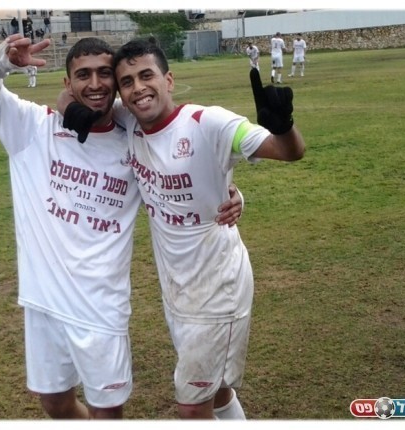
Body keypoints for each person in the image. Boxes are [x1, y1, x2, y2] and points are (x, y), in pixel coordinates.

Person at [0, 35, 244, 419]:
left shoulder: (132, 136)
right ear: (67, 83)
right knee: (55, 403)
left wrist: (230, 193)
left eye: (103, 74)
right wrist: (3, 60)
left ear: (115, 82)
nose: (94, 83)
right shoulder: (31, 127)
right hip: (43, 303)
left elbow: (183, 170)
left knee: (107, 413)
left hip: (101, 307)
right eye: (83, 75)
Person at [62, 39, 305, 420]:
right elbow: (74, 97)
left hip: (218, 287)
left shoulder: (208, 123)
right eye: (127, 82)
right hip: (177, 288)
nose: (138, 88)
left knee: (192, 407)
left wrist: (284, 127)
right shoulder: (130, 121)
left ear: (169, 80)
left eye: (147, 76)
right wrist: (70, 109)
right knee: (217, 391)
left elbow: (289, 151)